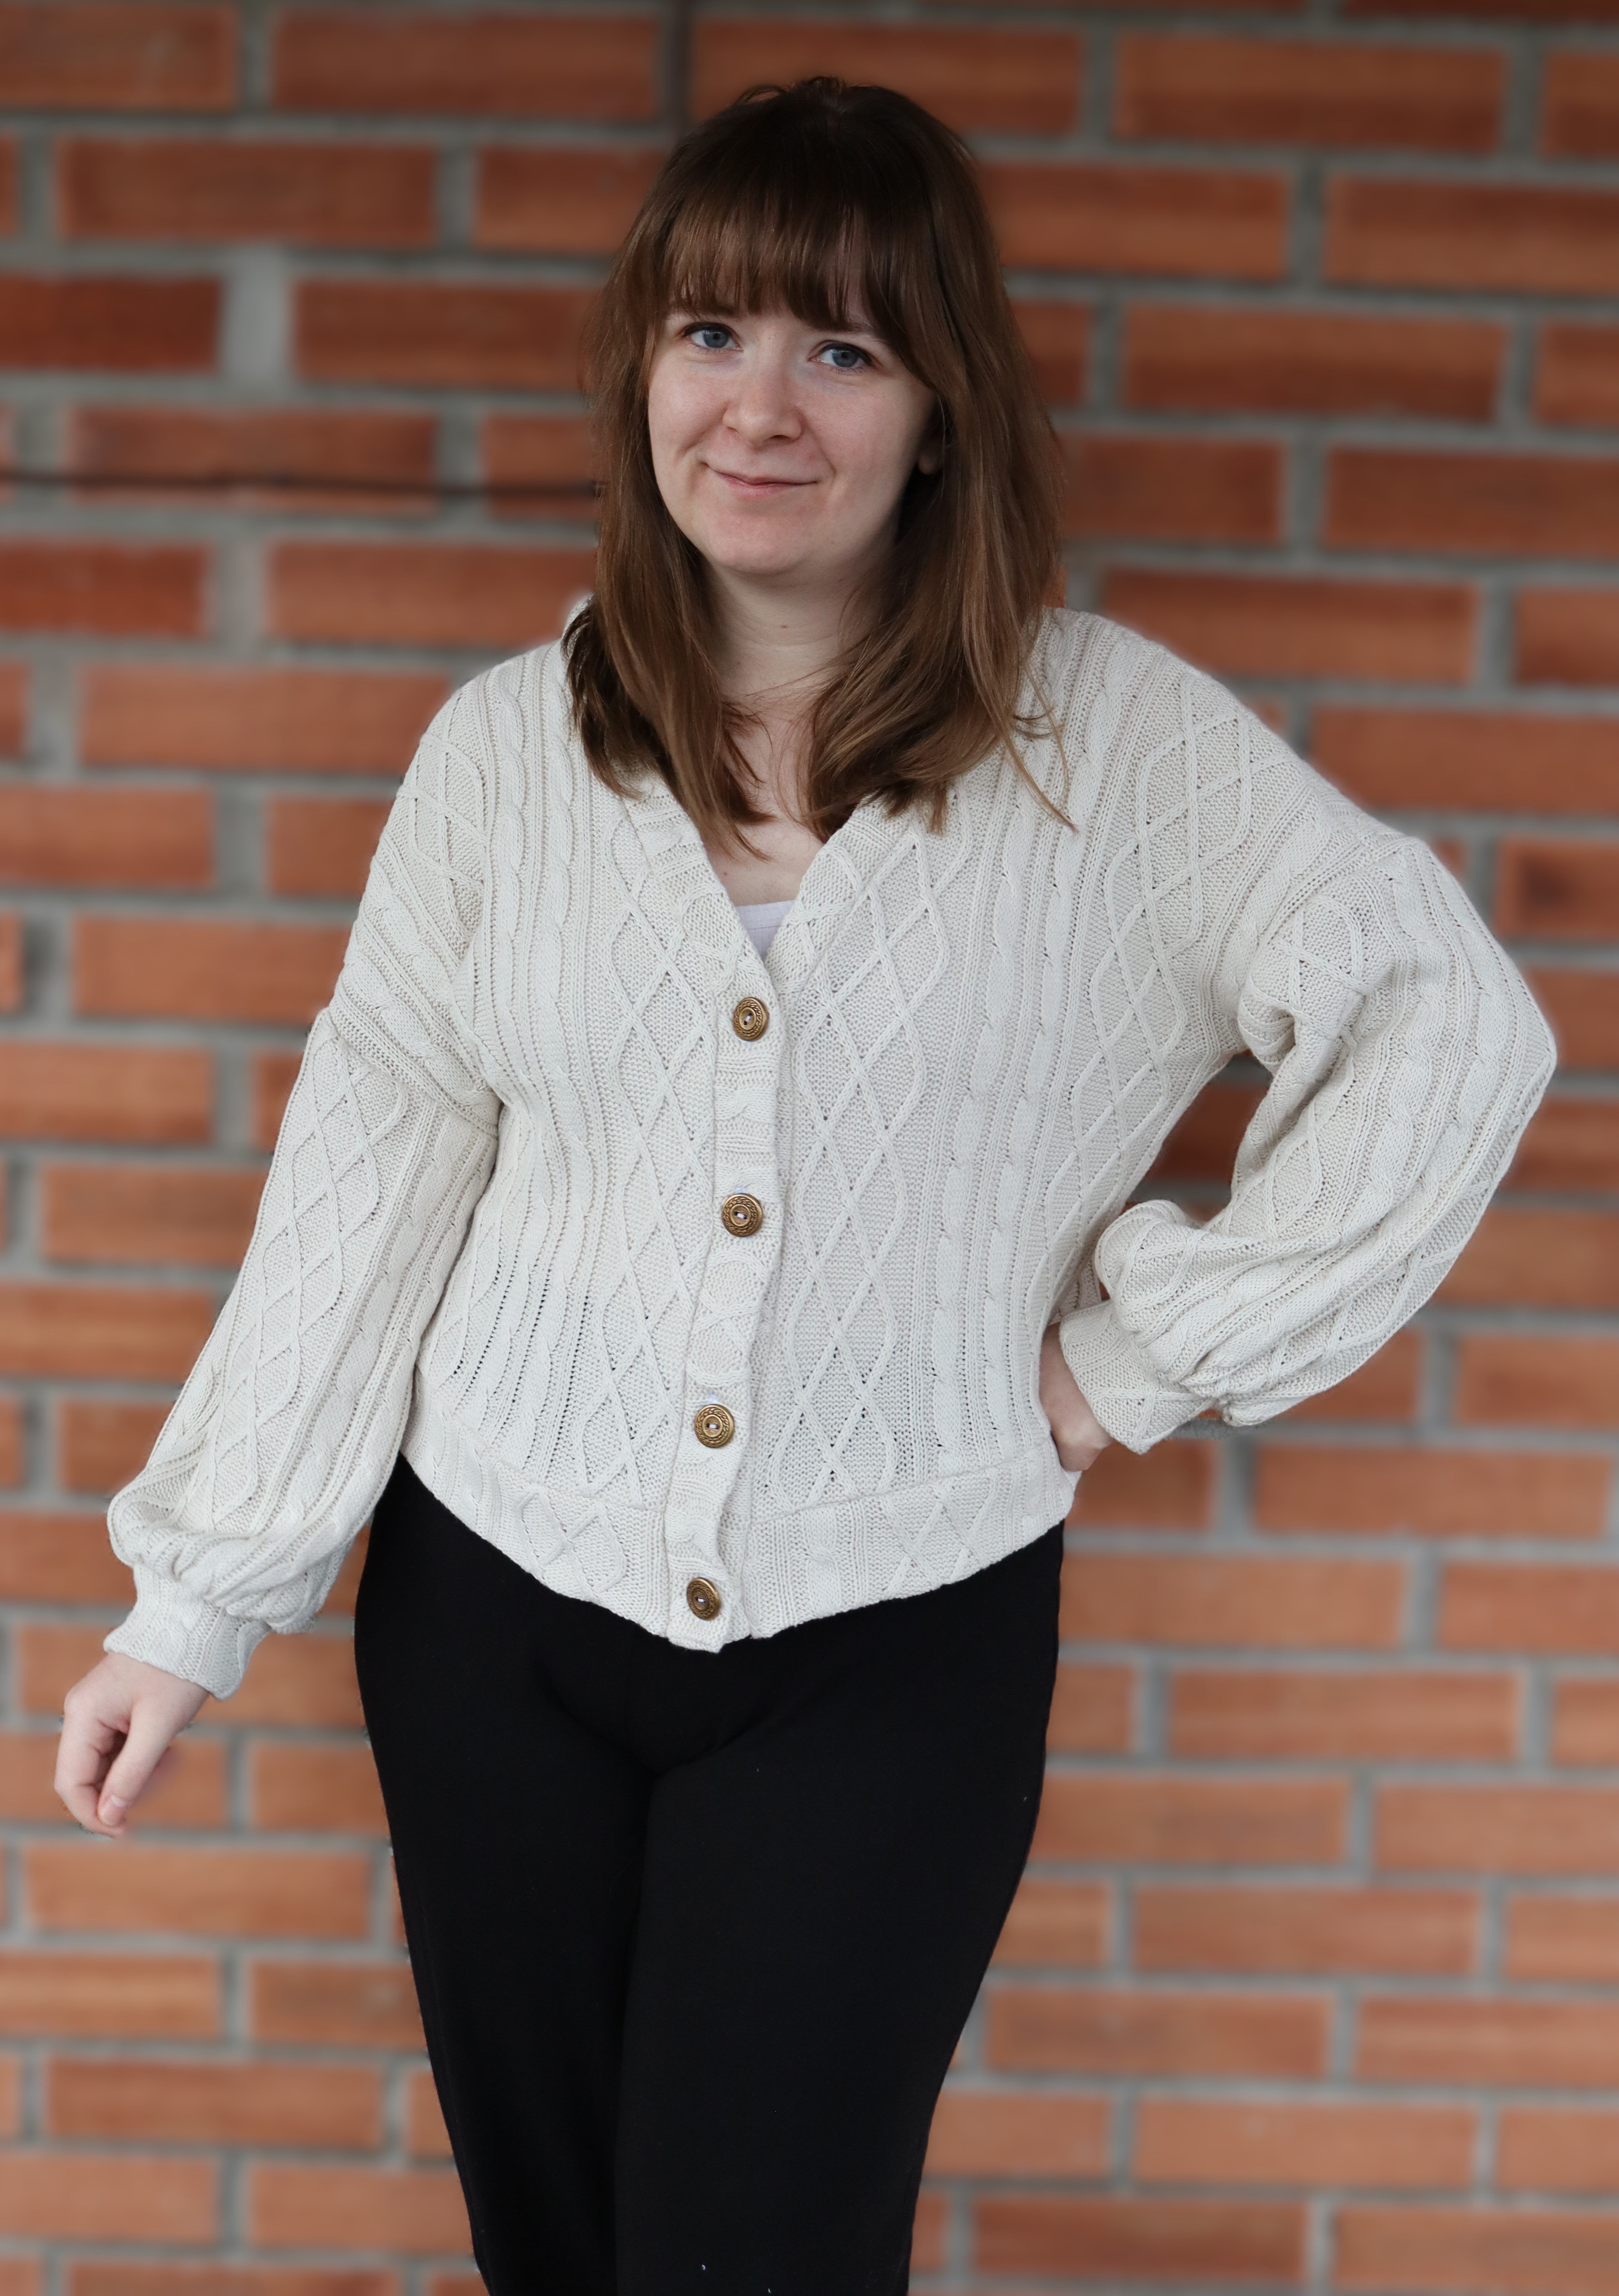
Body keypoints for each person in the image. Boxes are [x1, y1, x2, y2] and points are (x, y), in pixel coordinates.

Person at [55, 77, 1553, 2296]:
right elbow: (372, 1156)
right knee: (558, 2254)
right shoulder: (505, 749)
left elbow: (1454, 1026)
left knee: (762, 2254)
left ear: (939, 409)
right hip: (494, 1614)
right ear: (641, 373)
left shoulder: (1112, 752)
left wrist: (1126, 1364)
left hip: (894, 1638)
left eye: (841, 350)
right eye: (711, 335)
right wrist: (188, 1601)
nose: (761, 405)